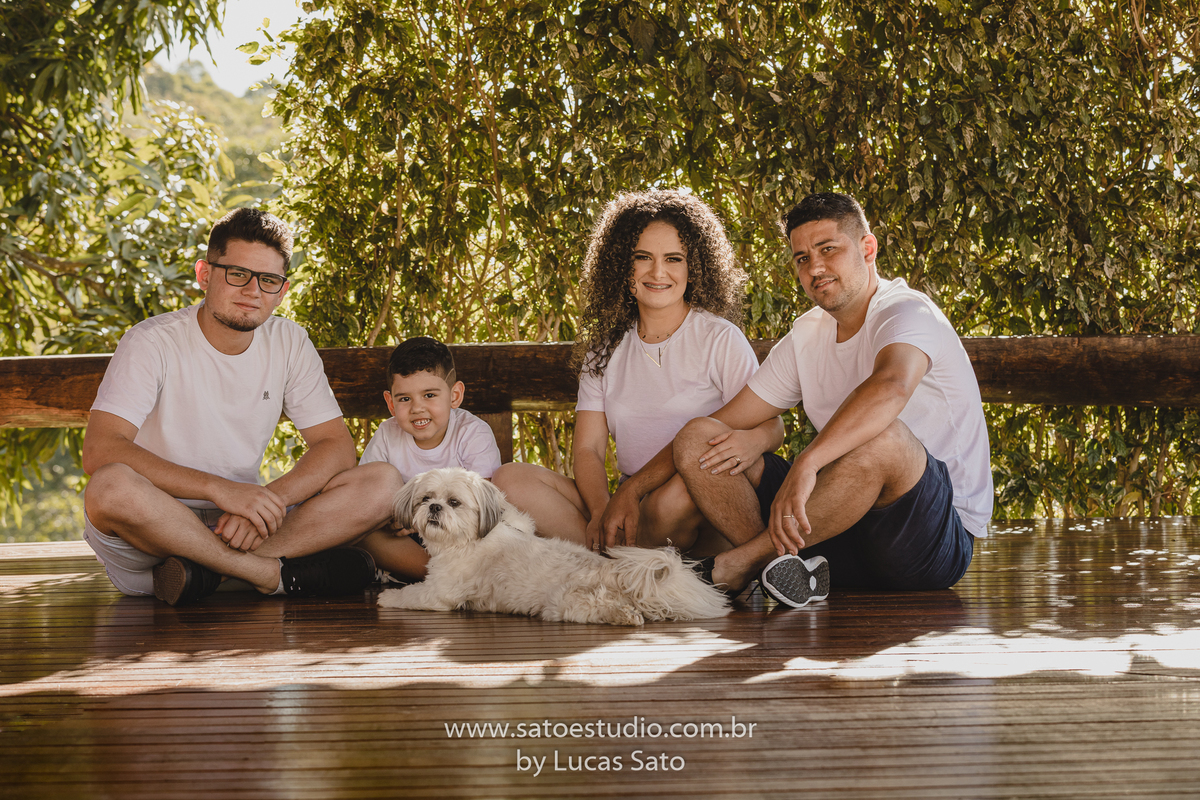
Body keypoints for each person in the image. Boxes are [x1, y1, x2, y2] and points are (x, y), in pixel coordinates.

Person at [668, 192, 993, 607]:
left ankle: (740, 565)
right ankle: (789, 568)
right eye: (802, 258)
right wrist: (630, 490)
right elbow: (727, 420)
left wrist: (807, 462)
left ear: (867, 248)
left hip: (927, 543)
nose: (814, 267)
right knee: (700, 437)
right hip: (833, 531)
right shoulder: (807, 335)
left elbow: (890, 386)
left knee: (886, 438)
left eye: (828, 249)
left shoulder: (908, 312)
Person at [80, 207, 402, 606]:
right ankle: (263, 575)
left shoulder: (289, 341)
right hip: (152, 527)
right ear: (204, 274)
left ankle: (207, 575)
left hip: (242, 528)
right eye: (238, 274)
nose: (253, 291)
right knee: (109, 487)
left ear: (282, 291)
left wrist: (266, 502)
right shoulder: (151, 342)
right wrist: (221, 490)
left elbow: (335, 446)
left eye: (268, 280)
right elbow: (100, 449)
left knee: (382, 482)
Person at [493, 189, 783, 553]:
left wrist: (753, 443)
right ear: (620, 264)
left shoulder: (720, 338)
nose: (657, 272)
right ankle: (618, 554)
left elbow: (771, 425)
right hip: (628, 497)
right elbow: (588, 448)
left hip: (695, 499)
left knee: (670, 501)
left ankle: (619, 565)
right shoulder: (604, 350)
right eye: (642, 257)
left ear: (694, 267)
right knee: (510, 479)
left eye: (674, 259)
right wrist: (602, 510)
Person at [355, 336, 503, 581]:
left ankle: (445, 577)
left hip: (460, 537)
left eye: (429, 395)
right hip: (407, 538)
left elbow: (483, 509)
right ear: (391, 403)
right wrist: (391, 520)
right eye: (405, 399)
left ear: (455, 395)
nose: (417, 408)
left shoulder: (472, 432)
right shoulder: (387, 434)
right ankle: (444, 578)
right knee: (363, 534)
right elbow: (366, 493)